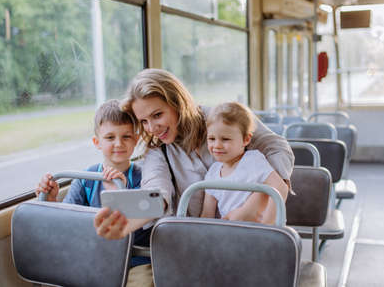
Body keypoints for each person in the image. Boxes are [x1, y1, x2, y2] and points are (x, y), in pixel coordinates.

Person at [93, 68, 294, 285]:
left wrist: (254, 205)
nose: (152, 128)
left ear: (177, 102)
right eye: (143, 121)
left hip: (250, 237)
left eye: (157, 115)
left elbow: (277, 148)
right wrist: (127, 221)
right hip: (202, 245)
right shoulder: (158, 151)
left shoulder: (221, 119)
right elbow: (158, 193)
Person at [35, 99, 152, 284]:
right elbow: (68, 222)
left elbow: (141, 224)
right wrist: (51, 201)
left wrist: (121, 194)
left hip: (134, 261)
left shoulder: (144, 178)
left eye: (126, 137)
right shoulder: (85, 178)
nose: (119, 143)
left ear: (136, 140)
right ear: (97, 142)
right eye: (110, 137)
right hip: (94, 256)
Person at [200, 102, 288, 224]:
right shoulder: (212, 172)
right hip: (230, 233)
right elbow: (207, 215)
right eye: (211, 139)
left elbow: (280, 188)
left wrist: (267, 227)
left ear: (246, 139)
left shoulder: (253, 160)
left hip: (257, 232)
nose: (217, 145)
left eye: (225, 139)